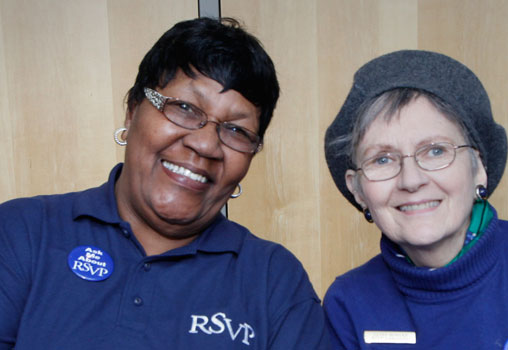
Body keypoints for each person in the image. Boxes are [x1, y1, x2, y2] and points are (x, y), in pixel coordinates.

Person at [0, 17, 329, 349]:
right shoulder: (22, 233)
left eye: (236, 130)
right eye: (185, 108)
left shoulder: (275, 281)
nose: (205, 144)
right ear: (132, 111)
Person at [323, 50, 508, 350]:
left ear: (478, 168)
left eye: (436, 150)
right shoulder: (348, 303)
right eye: (383, 159)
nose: (411, 180)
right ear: (358, 190)